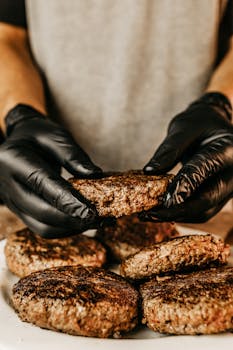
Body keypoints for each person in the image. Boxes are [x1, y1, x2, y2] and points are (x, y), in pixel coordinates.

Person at [0, 0, 232, 238]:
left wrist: (222, 106)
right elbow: (7, 38)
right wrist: (20, 115)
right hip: (53, 190)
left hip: (201, 187)